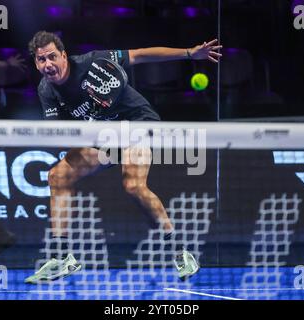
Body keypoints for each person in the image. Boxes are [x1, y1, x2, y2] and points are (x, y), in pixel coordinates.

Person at [24, 31, 222, 284]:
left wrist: (189, 53)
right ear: (36, 64)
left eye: (52, 56)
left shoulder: (93, 63)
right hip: (104, 137)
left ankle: (180, 252)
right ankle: (63, 258)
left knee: (133, 185)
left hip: (136, 125)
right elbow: (61, 133)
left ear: (64, 55)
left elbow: (139, 55)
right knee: (58, 175)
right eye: (41, 60)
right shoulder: (46, 89)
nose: (48, 64)